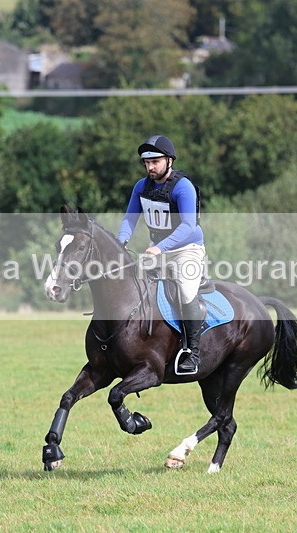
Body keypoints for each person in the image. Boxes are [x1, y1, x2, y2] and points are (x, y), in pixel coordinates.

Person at [118, 135, 206, 375]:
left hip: (186, 250)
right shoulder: (141, 186)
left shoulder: (183, 187)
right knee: (133, 284)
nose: (150, 167)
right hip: (157, 249)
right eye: (146, 163)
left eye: (155, 162)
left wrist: (160, 248)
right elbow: (130, 218)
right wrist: (121, 241)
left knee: (186, 292)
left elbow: (188, 226)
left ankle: (192, 352)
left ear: (169, 161)